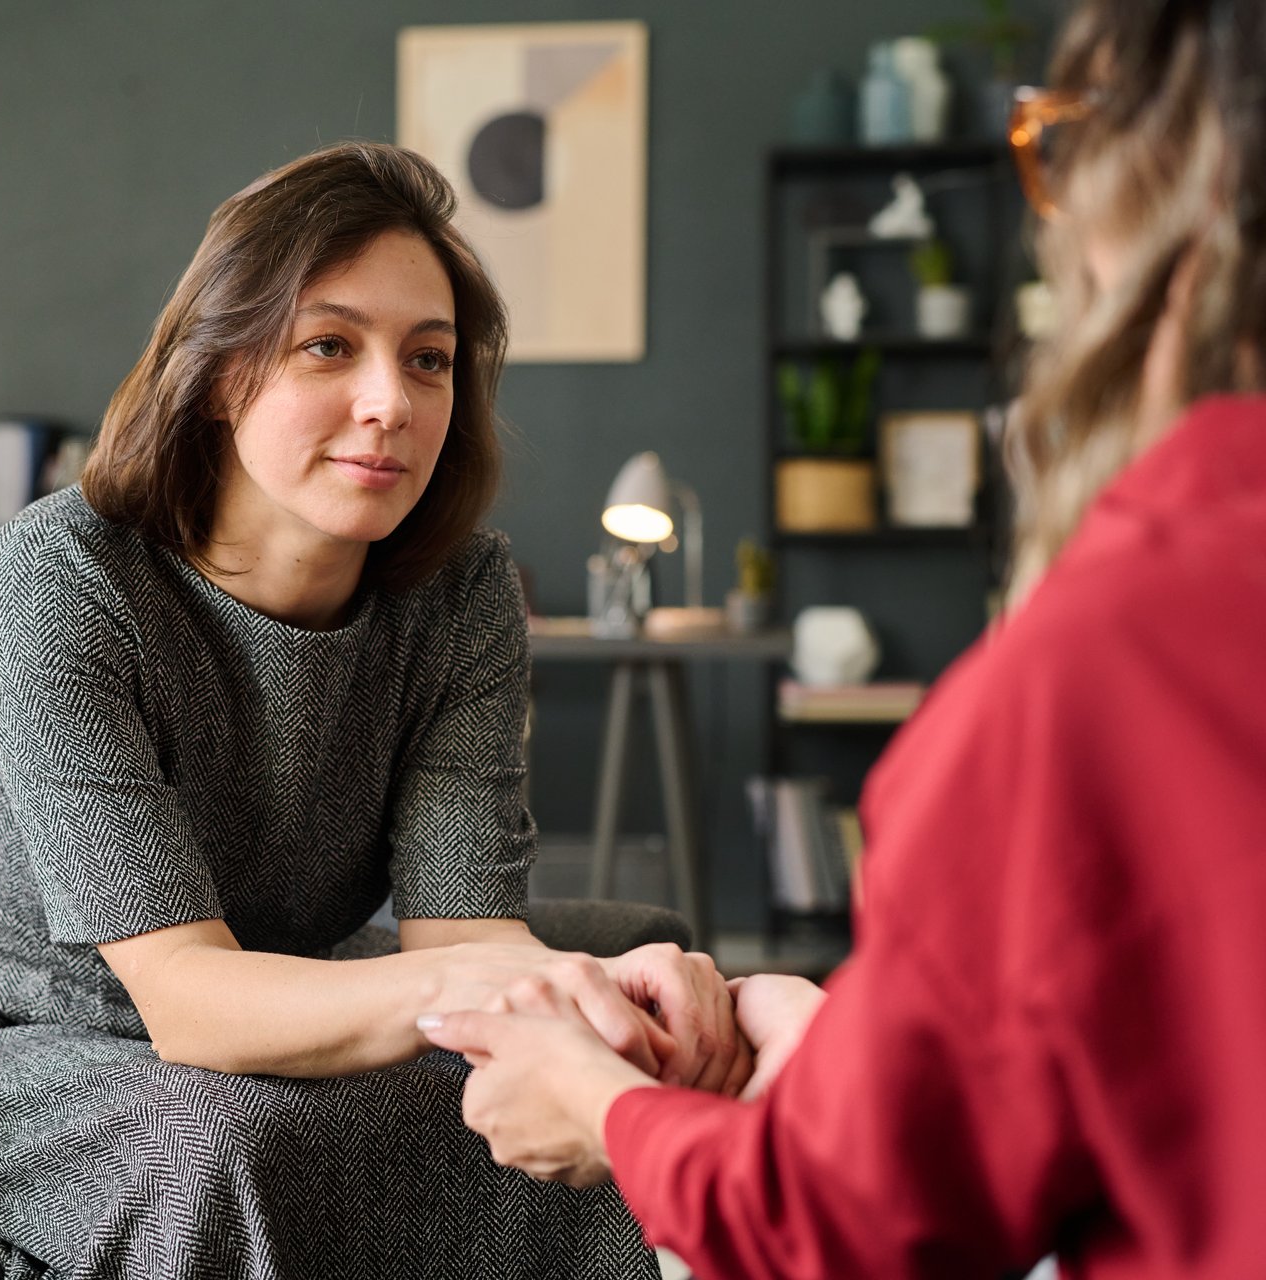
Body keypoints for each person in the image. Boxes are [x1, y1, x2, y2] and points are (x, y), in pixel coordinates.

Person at [421, 1, 1266, 1275]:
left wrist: (599, 1101)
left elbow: (852, 1222)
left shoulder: (1087, 677)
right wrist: (830, 1029)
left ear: (1146, 197)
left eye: (1054, 153)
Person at [0, 141, 745, 1279]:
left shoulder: (462, 596)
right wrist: (511, 991)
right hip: (17, 1046)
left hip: (286, 1000)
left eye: (430, 359)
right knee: (237, 1140)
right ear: (218, 371)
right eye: (329, 346)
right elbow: (193, 1004)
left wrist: (592, 1004)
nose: (389, 402)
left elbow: (460, 931)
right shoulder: (60, 576)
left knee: (548, 1095)